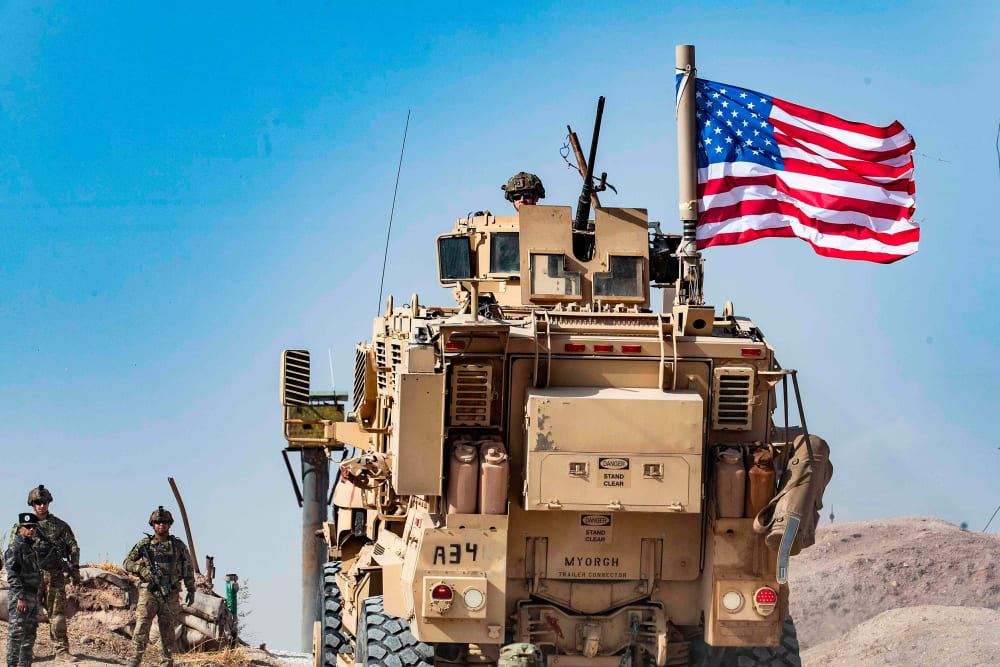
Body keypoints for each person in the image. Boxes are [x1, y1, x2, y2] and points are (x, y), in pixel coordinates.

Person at [8, 485, 80, 662]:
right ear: (32, 504)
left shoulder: (59, 525)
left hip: (54, 574)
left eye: (44, 502)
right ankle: (26, 652)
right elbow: (13, 549)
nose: (41, 505)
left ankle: (61, 650)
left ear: (49, 503)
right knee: (26, 615)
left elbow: (73, 546)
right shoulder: (22, 525)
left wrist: (75, 567)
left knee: (57, 614)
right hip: (30, 576)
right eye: (38, 502)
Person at [123, 507, 196, 667]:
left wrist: (191, 589)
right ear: (152, 525)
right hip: (149, 592)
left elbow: (188, 568)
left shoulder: (178, 546)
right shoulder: (145, 545)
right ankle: (135, 659)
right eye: (157, 522)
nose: (161, 525)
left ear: (170, 524)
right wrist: (141, 569)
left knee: (168, 630)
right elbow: (127, 563)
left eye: (164, 522)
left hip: (170, 592)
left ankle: (166, 662)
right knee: (142, 625)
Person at [5, 513, 42, 667]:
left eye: (33, 527)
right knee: (16, 636)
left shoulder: (30, 548)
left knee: (29, 637)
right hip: (21, 598)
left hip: (32, 597)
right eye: (27, 527)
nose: (31, 529)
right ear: (20, 529)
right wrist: (20, 597)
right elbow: (13, 575)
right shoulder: (16, 549)